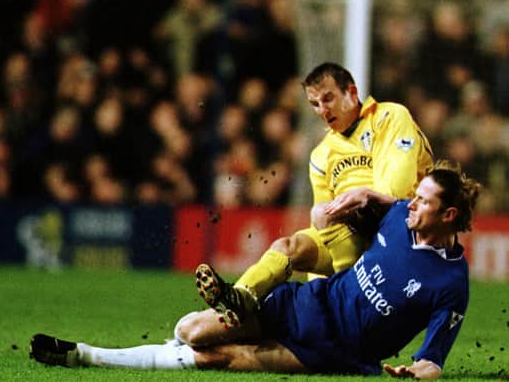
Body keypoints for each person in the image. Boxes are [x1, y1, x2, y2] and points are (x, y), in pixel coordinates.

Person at [29, 160, 480, 379]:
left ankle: (85, 355)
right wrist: (358, 199)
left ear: (449, 216)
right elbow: (377, 205)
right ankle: (236, 300)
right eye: (415, 195)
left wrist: (411, 374)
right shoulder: (401, 215)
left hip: (333, 350)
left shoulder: (450, 285)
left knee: (213, 357)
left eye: (425, 201)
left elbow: (432, 361)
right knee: (191, 330)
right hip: (308, 301)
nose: (413, 203)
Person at [196, 61, 435, 328]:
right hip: (347, 234)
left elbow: (397, 190)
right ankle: (241, 297)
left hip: (397, 231)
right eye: (315, 103)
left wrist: (360, 201)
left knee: (328, 214)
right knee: (289, 246)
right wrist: (316, 296)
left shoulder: (388, 117)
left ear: (351, 93)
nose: (323, 110)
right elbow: (322, 230)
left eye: (328, 98)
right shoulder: (321, 155)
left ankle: (351, 297)